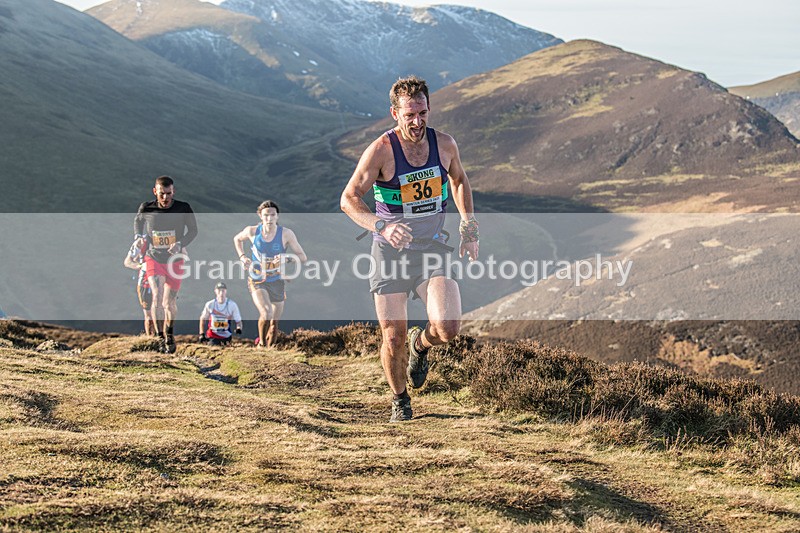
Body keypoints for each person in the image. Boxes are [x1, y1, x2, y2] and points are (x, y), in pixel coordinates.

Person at [340, 75, 479, 422]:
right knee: (392, 336)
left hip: (431, 248)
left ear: (429, 109)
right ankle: (400, 400)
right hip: (389, 252)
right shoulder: (381, 151)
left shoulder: (444, 144)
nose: (417, 122)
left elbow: (459, 180)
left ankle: (421, 346)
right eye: (409, 115)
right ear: (395, 113)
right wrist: (382, 225)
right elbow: (348, 199)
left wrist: (469, 228)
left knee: (447, 328)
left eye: (422, 113)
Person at [133, 176, 198, 354]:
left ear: (173, 191)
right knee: (157, 296)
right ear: (155, 192)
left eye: (169, 194)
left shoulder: (183, 208)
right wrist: (138, 237)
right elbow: (138, 221)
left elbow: (193, 230)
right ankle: (160, 338)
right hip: (153, 258)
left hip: (175, 260)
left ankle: (169, 333)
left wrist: (180, 244)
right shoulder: (146, 207)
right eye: (162, 194)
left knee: (169, 303)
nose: (165, 198)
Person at [233, 200, 307, 349]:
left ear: (277, 216)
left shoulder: (286, 234)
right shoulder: (252, 231)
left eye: (273, 215)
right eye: (266, 215)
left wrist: (287, 258)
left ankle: (270, 349)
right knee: (266, 312)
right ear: (260, 216)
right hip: (257, 278)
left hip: (277, 280)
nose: (269, 218)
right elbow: (237, 239)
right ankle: (261, 344)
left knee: (274, 322)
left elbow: (303, 257)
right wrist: (242, 256)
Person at [123, 239, 155, 336]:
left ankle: (164, 339)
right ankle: (151, 340)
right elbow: (127, 262)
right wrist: (141, 266)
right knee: (148, 315)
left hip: (163, 281)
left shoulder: (170, 236)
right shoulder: (142, 241)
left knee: (164, 312)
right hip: (145, 283)